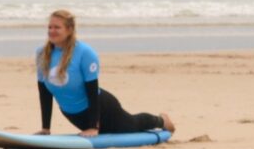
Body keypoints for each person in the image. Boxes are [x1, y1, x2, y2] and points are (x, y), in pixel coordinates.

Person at [35, 10, 173, 137]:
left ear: (69, 30)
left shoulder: (84, 53)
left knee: (131, 125)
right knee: (109, 132)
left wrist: (94, 127)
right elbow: (45, 93)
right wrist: (45, 128)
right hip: (72, 114)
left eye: (57, 27)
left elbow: (92, 91)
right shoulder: (42, 54)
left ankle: (161, 121)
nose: (52, 31)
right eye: (50, 27)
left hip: (103, 109)